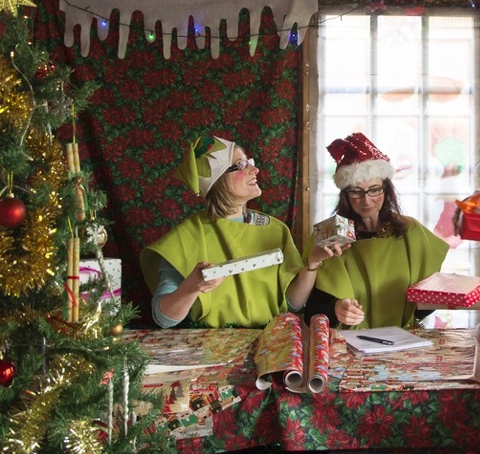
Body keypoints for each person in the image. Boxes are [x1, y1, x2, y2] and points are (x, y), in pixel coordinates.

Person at [140, 135, 334, 328]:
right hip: (210, 349)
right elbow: (163, 318)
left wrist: (313, 263)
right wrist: (192, 286)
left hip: (270, 344)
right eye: (241, 165)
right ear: (219, 180)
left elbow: (293, 304)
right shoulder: (186, 237)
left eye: (250, 162)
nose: (255, 169)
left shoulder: (275, 230)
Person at [304, 132, 449, 329]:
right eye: (356, 191)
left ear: (386, 189)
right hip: (349, 345)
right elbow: (309, 309)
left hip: (403, 340)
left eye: (374, 189)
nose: (367, 200)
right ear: (345, 195)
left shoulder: (411, 231)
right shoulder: (330, 234)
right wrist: (336, 309)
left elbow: (425, 302)